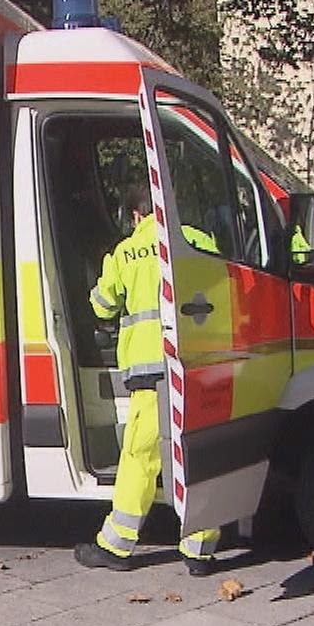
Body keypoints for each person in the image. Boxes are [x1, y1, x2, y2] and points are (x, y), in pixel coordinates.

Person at [74, 182, 223, 577]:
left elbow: (102, 305)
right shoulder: (198, 240)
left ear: (136, 216)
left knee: (141, 457)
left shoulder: (126, 252)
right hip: (196, 365)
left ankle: (117, 545)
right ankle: (199, 551)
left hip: (149, 369)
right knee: (197, 452)